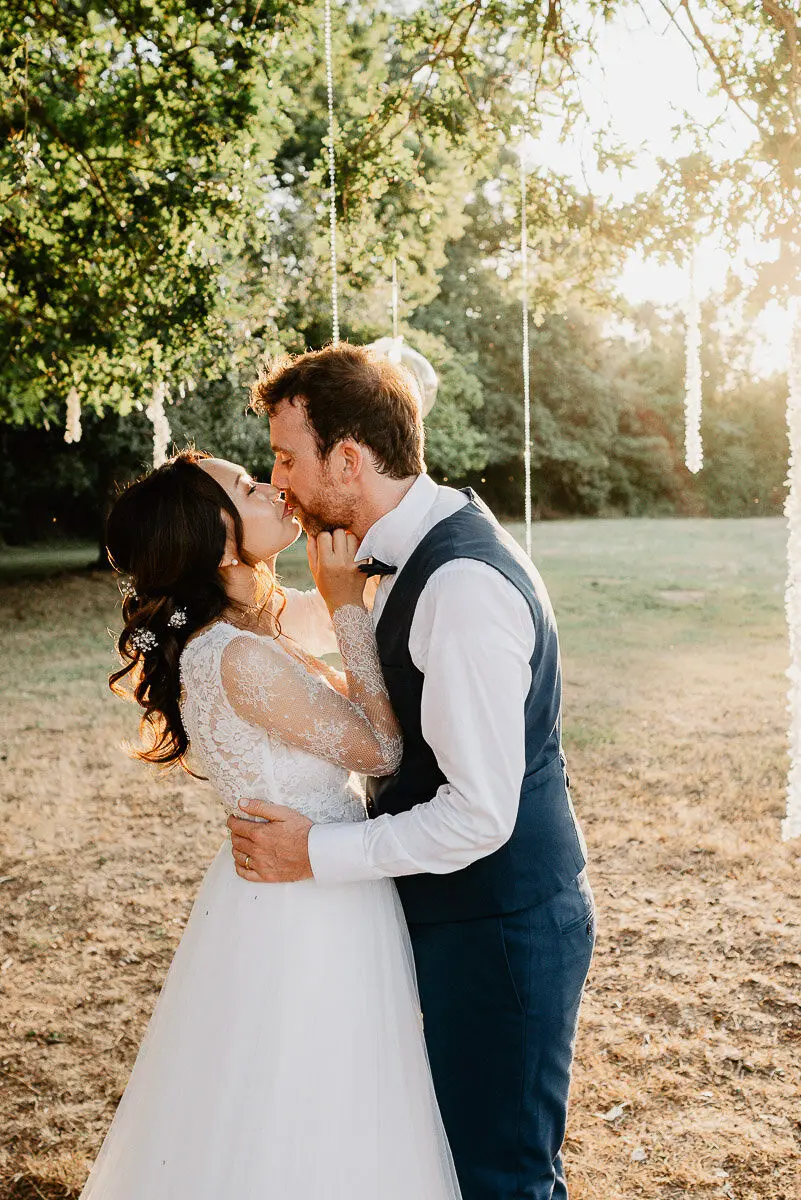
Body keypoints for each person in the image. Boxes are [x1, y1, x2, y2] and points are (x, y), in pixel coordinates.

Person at [228, 343, 596, 1200]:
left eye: (288, 458)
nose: (278, 480)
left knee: (497, 1176)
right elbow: (322, 630)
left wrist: (311, 854)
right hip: (451, 914)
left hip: (500, 928)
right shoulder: (396, 550)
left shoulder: (460, 587)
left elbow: (478, 816)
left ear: (348, 460)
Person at [79, 448, 461, 1200]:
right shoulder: (238, 658)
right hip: (303, 900)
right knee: (313, 1090)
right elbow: (380, 746)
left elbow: (289, 614)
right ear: (218, 536)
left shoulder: (235, 622)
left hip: (291, 881)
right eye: (249, 487)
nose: (272, 487)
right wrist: (346, 606)